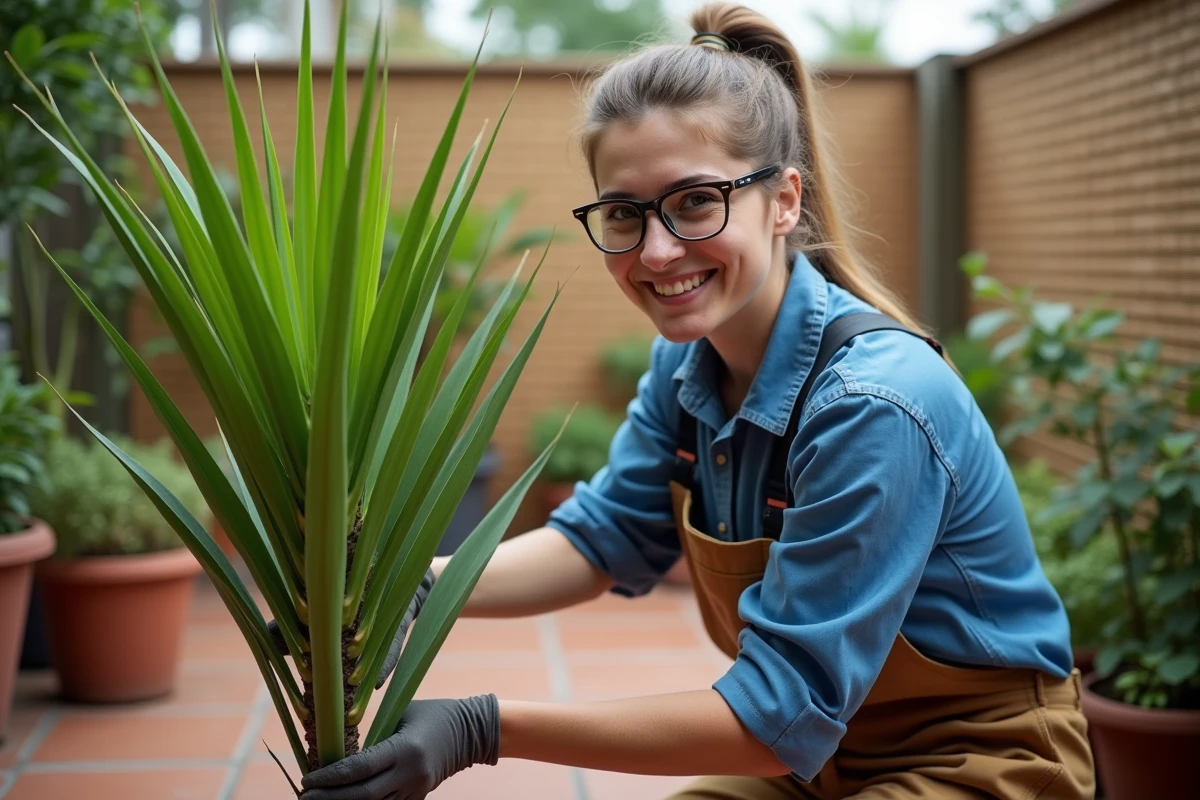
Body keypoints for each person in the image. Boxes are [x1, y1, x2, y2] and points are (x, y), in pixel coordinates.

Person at [298, 3, 1095, 798]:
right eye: (623, 214)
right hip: (821, 759)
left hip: (981, 761)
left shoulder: (872, 404)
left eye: (694, 201)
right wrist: (408, 590)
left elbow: (771, 716)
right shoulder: (689, 368)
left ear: (784, 201)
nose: (656, 251)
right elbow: (603, 538)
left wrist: (482, 728)